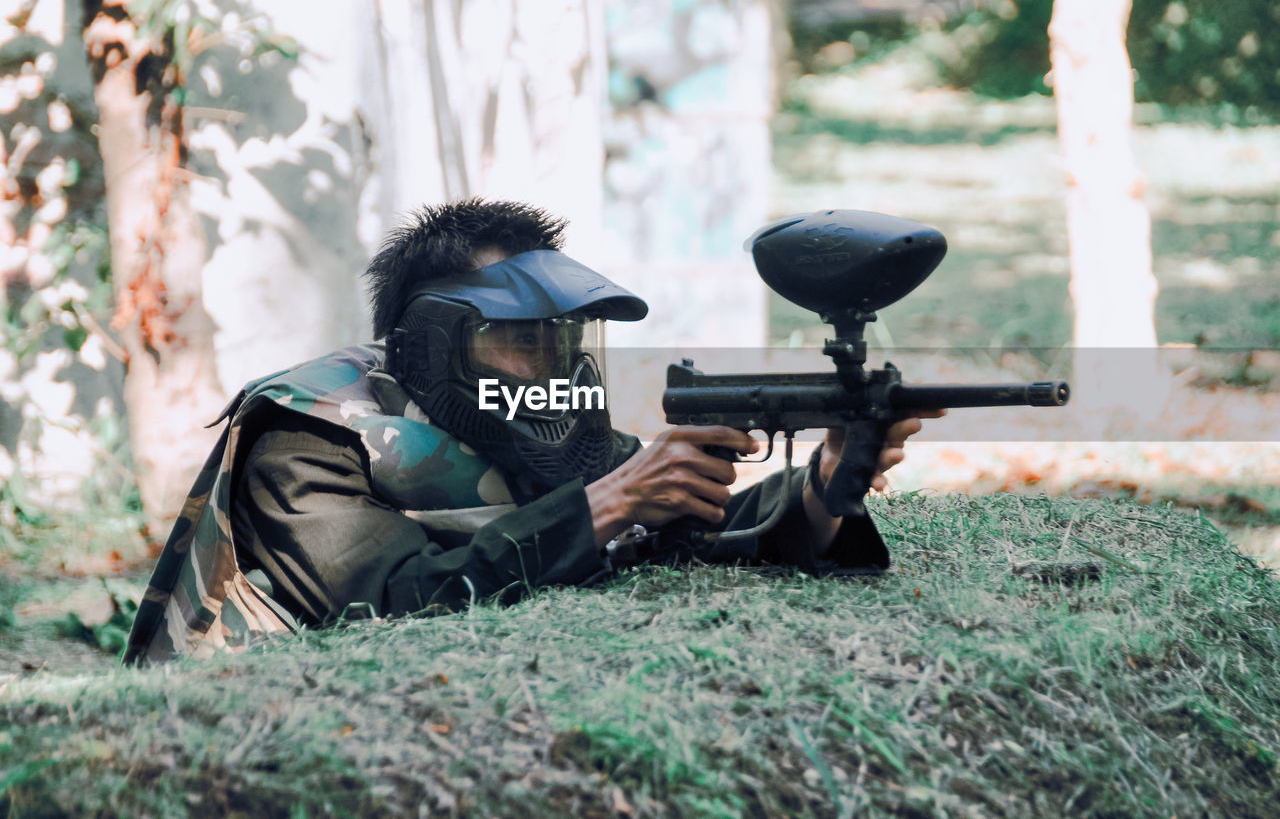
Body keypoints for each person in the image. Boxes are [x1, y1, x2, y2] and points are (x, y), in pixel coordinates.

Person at [124, 199, 934, 665]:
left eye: (563, 338)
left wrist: (827, 484)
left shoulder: (541, 419)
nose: (554, 363)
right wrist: (609, 505)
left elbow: (698, 534)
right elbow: (386, 608)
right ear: (433, 341)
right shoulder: (309, 435)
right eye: (520, 338)